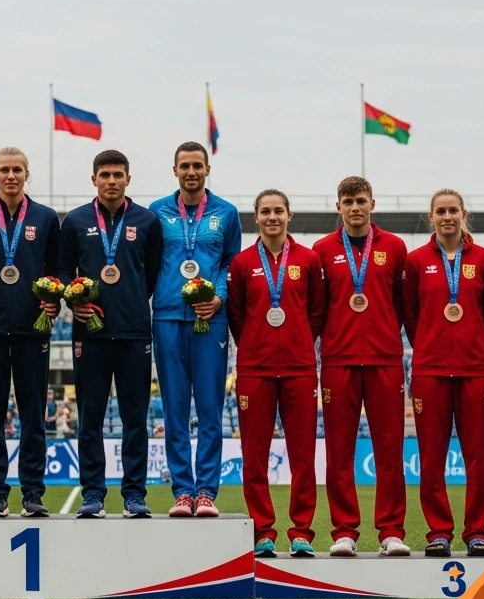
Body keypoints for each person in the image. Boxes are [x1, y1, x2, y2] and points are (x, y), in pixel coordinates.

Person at [57, 149, 163, 518]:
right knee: (90, 419)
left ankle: (134, 495)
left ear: (128, 179)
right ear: (94, 180)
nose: (112, 181)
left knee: (136, 420)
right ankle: (93, 494)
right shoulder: (74, 221)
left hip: (135, 331)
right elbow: (61, 271)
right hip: (90, 332)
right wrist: (74, 300)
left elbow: (149, 275)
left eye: (118, 174)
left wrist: (131, 300)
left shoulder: (147, 221)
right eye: (105, 175)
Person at [313, 176, 410, 557]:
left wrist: (384, 333)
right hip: (338, 360)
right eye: (348, 201)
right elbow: (318, 308)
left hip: (385, 359)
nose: (355, 207)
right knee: (339, 451)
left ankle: (390, 531)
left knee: (390, 450)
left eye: (361, 201)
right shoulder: (321, 249)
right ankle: (344, 531)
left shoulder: (395, 247)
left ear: (373, 204)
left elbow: (402, 304)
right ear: (338, 206)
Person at [226, 189, 323, 558]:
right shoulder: (241, 263)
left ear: (289, 215)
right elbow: (237, 316)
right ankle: (263, 531)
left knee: (302, 455)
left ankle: (302, 532)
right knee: (254, 455)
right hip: (255, 370)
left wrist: (298, 341)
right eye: (265, 211)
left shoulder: (310, 260)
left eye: (278, 211)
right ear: (256, 217)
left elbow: (316, 314)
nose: (272, 217)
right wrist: (253, 345)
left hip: (299, 368)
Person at [149, 141, 241, 518]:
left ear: (207, 169)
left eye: (197, 166)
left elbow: (231, 265)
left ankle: (206, 491)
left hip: (211, 319)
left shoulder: (227, 213)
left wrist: (218, 298)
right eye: (184, 166)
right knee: (173, 409)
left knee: (209, 409)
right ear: (174, 170)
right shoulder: (156, 212)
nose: (191, 172)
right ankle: (182, 491)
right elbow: (148, 266)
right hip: (168, 318)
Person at [403, 188, 484, 557]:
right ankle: (438, 532)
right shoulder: (415, 261)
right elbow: (411, 315)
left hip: (476, 369)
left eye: (453, 210)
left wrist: (472, 341)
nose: (447, 216)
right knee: (431, 456)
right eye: (440, 211)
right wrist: (429, 344)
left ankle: (477, 532)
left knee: (478, 456)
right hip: (430, 369)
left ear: (463, 214)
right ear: (431, 217)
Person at [0, 147, 60, 518]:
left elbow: (56, 270)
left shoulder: (46, 217)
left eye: (18, 170)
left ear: (27, 174)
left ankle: (33, 493)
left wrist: (54, 300)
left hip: (31, 329)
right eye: (4, 170)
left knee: (33, 415)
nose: (11, 176)